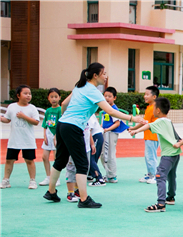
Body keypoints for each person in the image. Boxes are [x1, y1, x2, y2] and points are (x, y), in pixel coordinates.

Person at [42, 62, 144, 208]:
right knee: (82, 164)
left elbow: (64, 104)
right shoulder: (93, 91)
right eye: (103, 73)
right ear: (95, 75)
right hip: (73, 127)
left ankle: (51, 192)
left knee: (60, 160)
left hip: (62, 124)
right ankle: (83, 199)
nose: (106, 76)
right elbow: (111, 111)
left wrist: (66, 120)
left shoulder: (79, 86)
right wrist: (134, 119)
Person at [129, 98, 182, 212]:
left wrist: (135, 131)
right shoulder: (168, 121)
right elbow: (176, 135)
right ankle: (171, 197)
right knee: (171, 175)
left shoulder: (159, 121)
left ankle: (161, 203)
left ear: (158, 110)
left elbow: (148, 126)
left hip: (168, 154)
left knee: (160, 176)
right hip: (176, 154)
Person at [1, 85, 40, 189]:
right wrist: (1, 118)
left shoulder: (32, 108)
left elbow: (36, 122)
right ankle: (6, 180)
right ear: (18, 95)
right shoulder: (12, 107)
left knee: (29, 160)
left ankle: (32, 181)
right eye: (25, 93)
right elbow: (7, 119)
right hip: (14, 140)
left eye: (29, 93)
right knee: (9, 160)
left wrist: (24, 116)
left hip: (28, 140)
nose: (28, 95)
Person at [132, 85, 160, 183]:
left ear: (154, 97)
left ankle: (155, 176)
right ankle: (150, 174)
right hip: (149, 136)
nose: (145, 96)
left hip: (153, 136)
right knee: (148, 156)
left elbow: (145, 122)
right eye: (145, 94)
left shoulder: (153, 108)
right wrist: (134, 128)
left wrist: (135, 129)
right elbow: (145, 121)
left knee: (151, 157)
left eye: (147, 94)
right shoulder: (150, 107)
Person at [101, 86, 128, 183]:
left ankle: (112, 176)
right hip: (106, 133)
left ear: (114, 98)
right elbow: (104, 121)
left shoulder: (114, 109)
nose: (107, 98)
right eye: (105, 96)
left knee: (110, 154)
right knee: (103, 154)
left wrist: (107, 129)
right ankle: (108, 174)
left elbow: (117, 123)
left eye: (109, 96)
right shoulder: (106, 109)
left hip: (111, 134)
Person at [40, 88, 61, 187]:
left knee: (56, 157)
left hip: (56, 135)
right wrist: (44, 136)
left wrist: (56, 136)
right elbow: (45, 124)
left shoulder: (60, 109)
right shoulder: (48, 110)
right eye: (51, 97)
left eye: (56, 97)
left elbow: (60, 123)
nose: (54, 99)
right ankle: (48, 177)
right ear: (48, 98)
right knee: (44, 157)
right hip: (48, 135)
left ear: (59, 98)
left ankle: (56, 178)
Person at [87, 114, 106, 186]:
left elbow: (89, 130)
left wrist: (91, 143)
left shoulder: (89, 115)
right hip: (94, 136)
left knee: (91, 158)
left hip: (95, 136)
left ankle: (99, 178)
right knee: (92, 158)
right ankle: (90, 174)